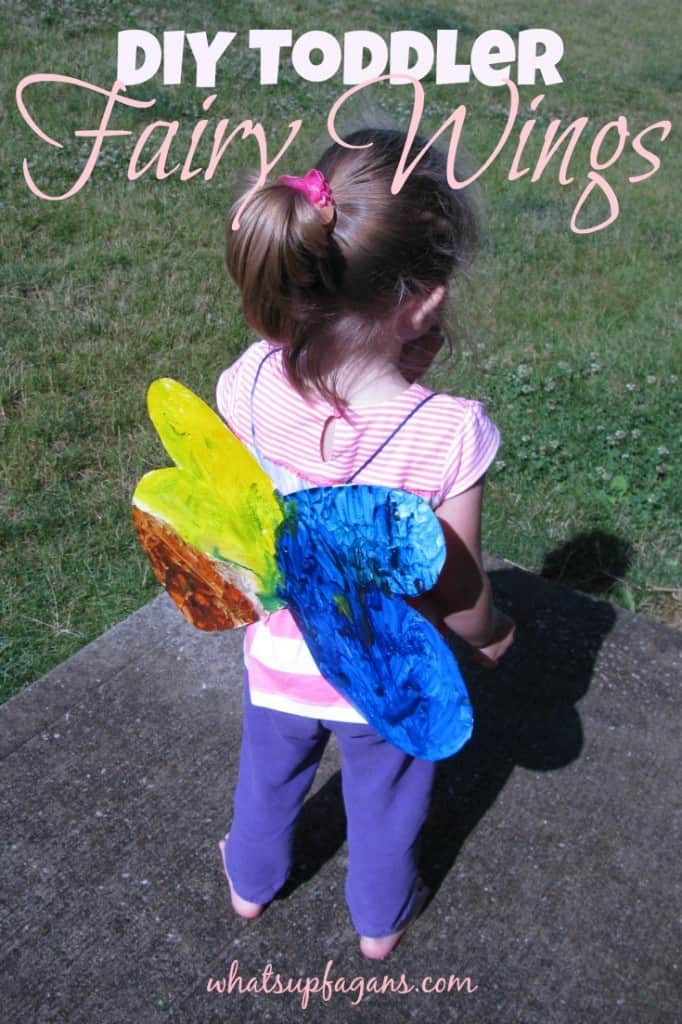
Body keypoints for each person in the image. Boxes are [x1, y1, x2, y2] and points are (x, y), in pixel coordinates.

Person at [215, 128, 515, 960]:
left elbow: (239, 513)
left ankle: (250, 881)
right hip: (381, 670)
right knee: (386, 798)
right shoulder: (449, 433)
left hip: (279, 648)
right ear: (421, 302)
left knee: (267, 777)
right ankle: (379, 922)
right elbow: (457, 591)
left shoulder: (245, 381)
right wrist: (493, 638)